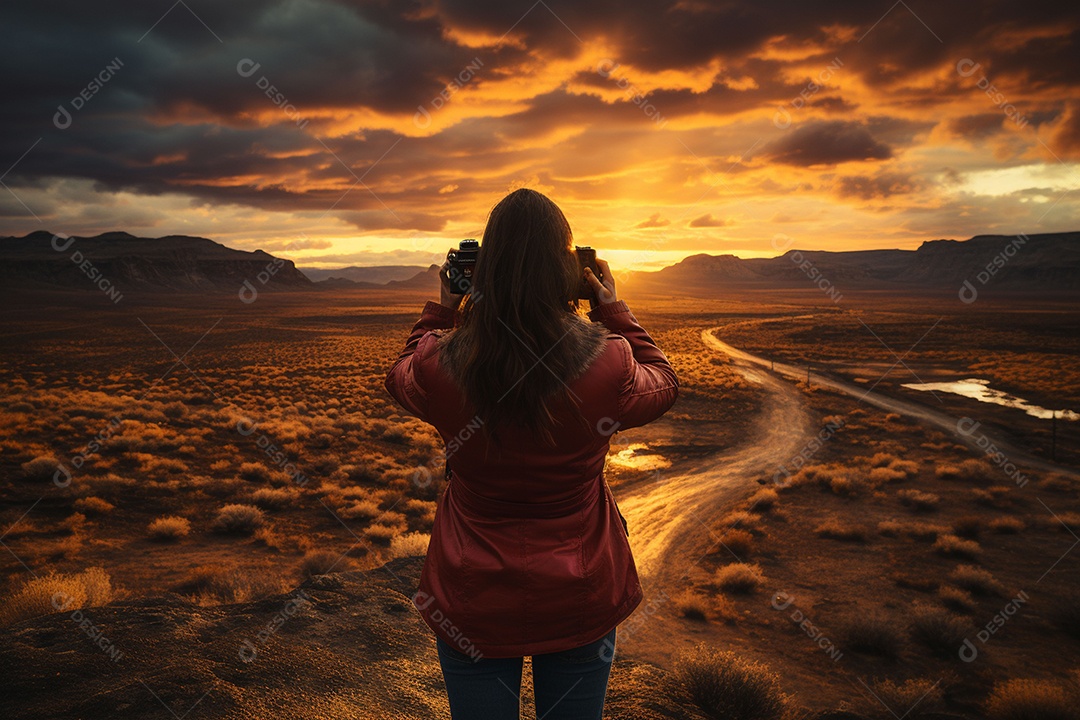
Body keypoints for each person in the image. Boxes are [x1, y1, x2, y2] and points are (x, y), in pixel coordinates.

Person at [384, 188, 679, 719]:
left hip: (472, 598)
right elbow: (663, 381)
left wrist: (442, 311)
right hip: (580, 594)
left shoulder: (437, 364)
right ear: (566, 270)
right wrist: (613, 310)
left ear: (482, 270)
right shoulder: (609, 360)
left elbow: (401, 376)